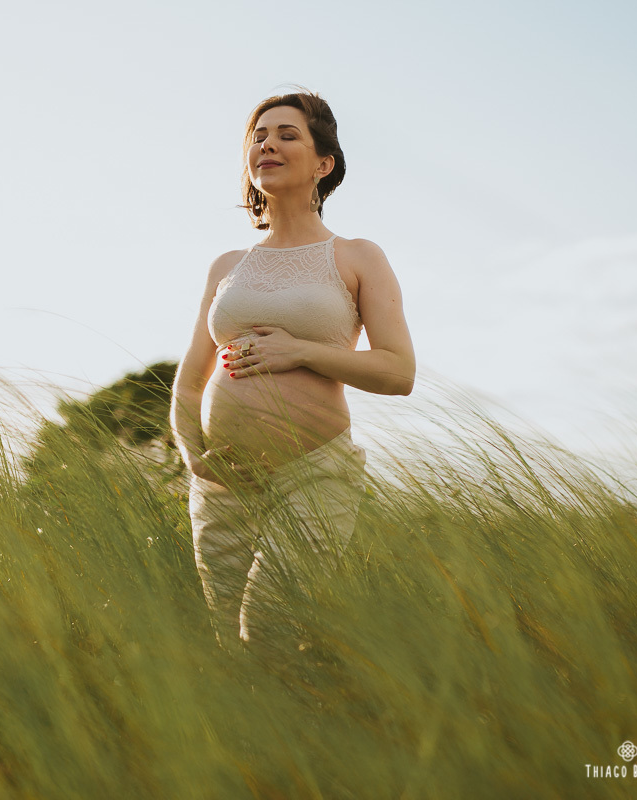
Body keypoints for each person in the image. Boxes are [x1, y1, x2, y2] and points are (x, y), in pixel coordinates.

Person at [170, 89, 416, 655]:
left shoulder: (357, 256)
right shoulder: (228, 266)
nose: (267, 145)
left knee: (270, 628)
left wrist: (300, 352)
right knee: (226, 645)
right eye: (258, 136)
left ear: (323, 163)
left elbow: (398, 371)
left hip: (313, 472)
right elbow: (189, 379)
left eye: (286, 135)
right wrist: (193, 457)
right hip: (222, 481)